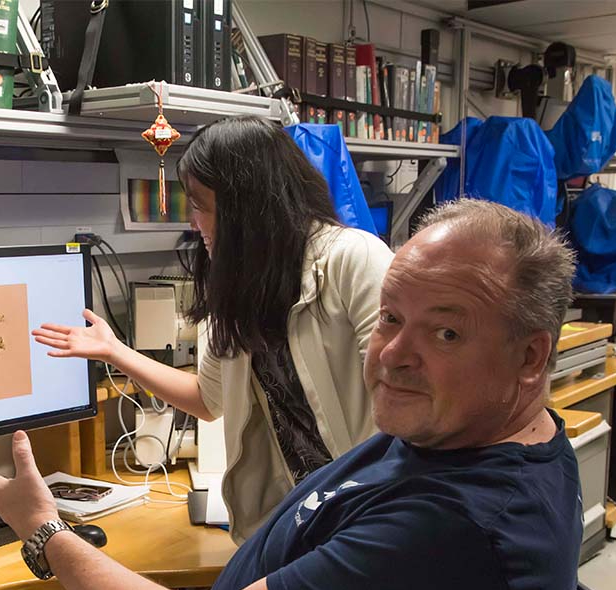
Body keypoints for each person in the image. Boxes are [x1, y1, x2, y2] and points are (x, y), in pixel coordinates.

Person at [0, 199, 583, 590]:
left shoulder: (457, 533)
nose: (393, 357)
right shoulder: (467, 436)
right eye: (390, 318)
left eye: (446, 332)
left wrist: (46, 532)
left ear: (530, 357)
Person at [33, 116, 393, 543]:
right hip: (298, 522)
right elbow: (207, 400)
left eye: (200, 205)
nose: (194, 222)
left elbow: (402, 400)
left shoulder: (353, 259)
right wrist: (115, 351)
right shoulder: (241, 285)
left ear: (245, 205)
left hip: (368, 516)